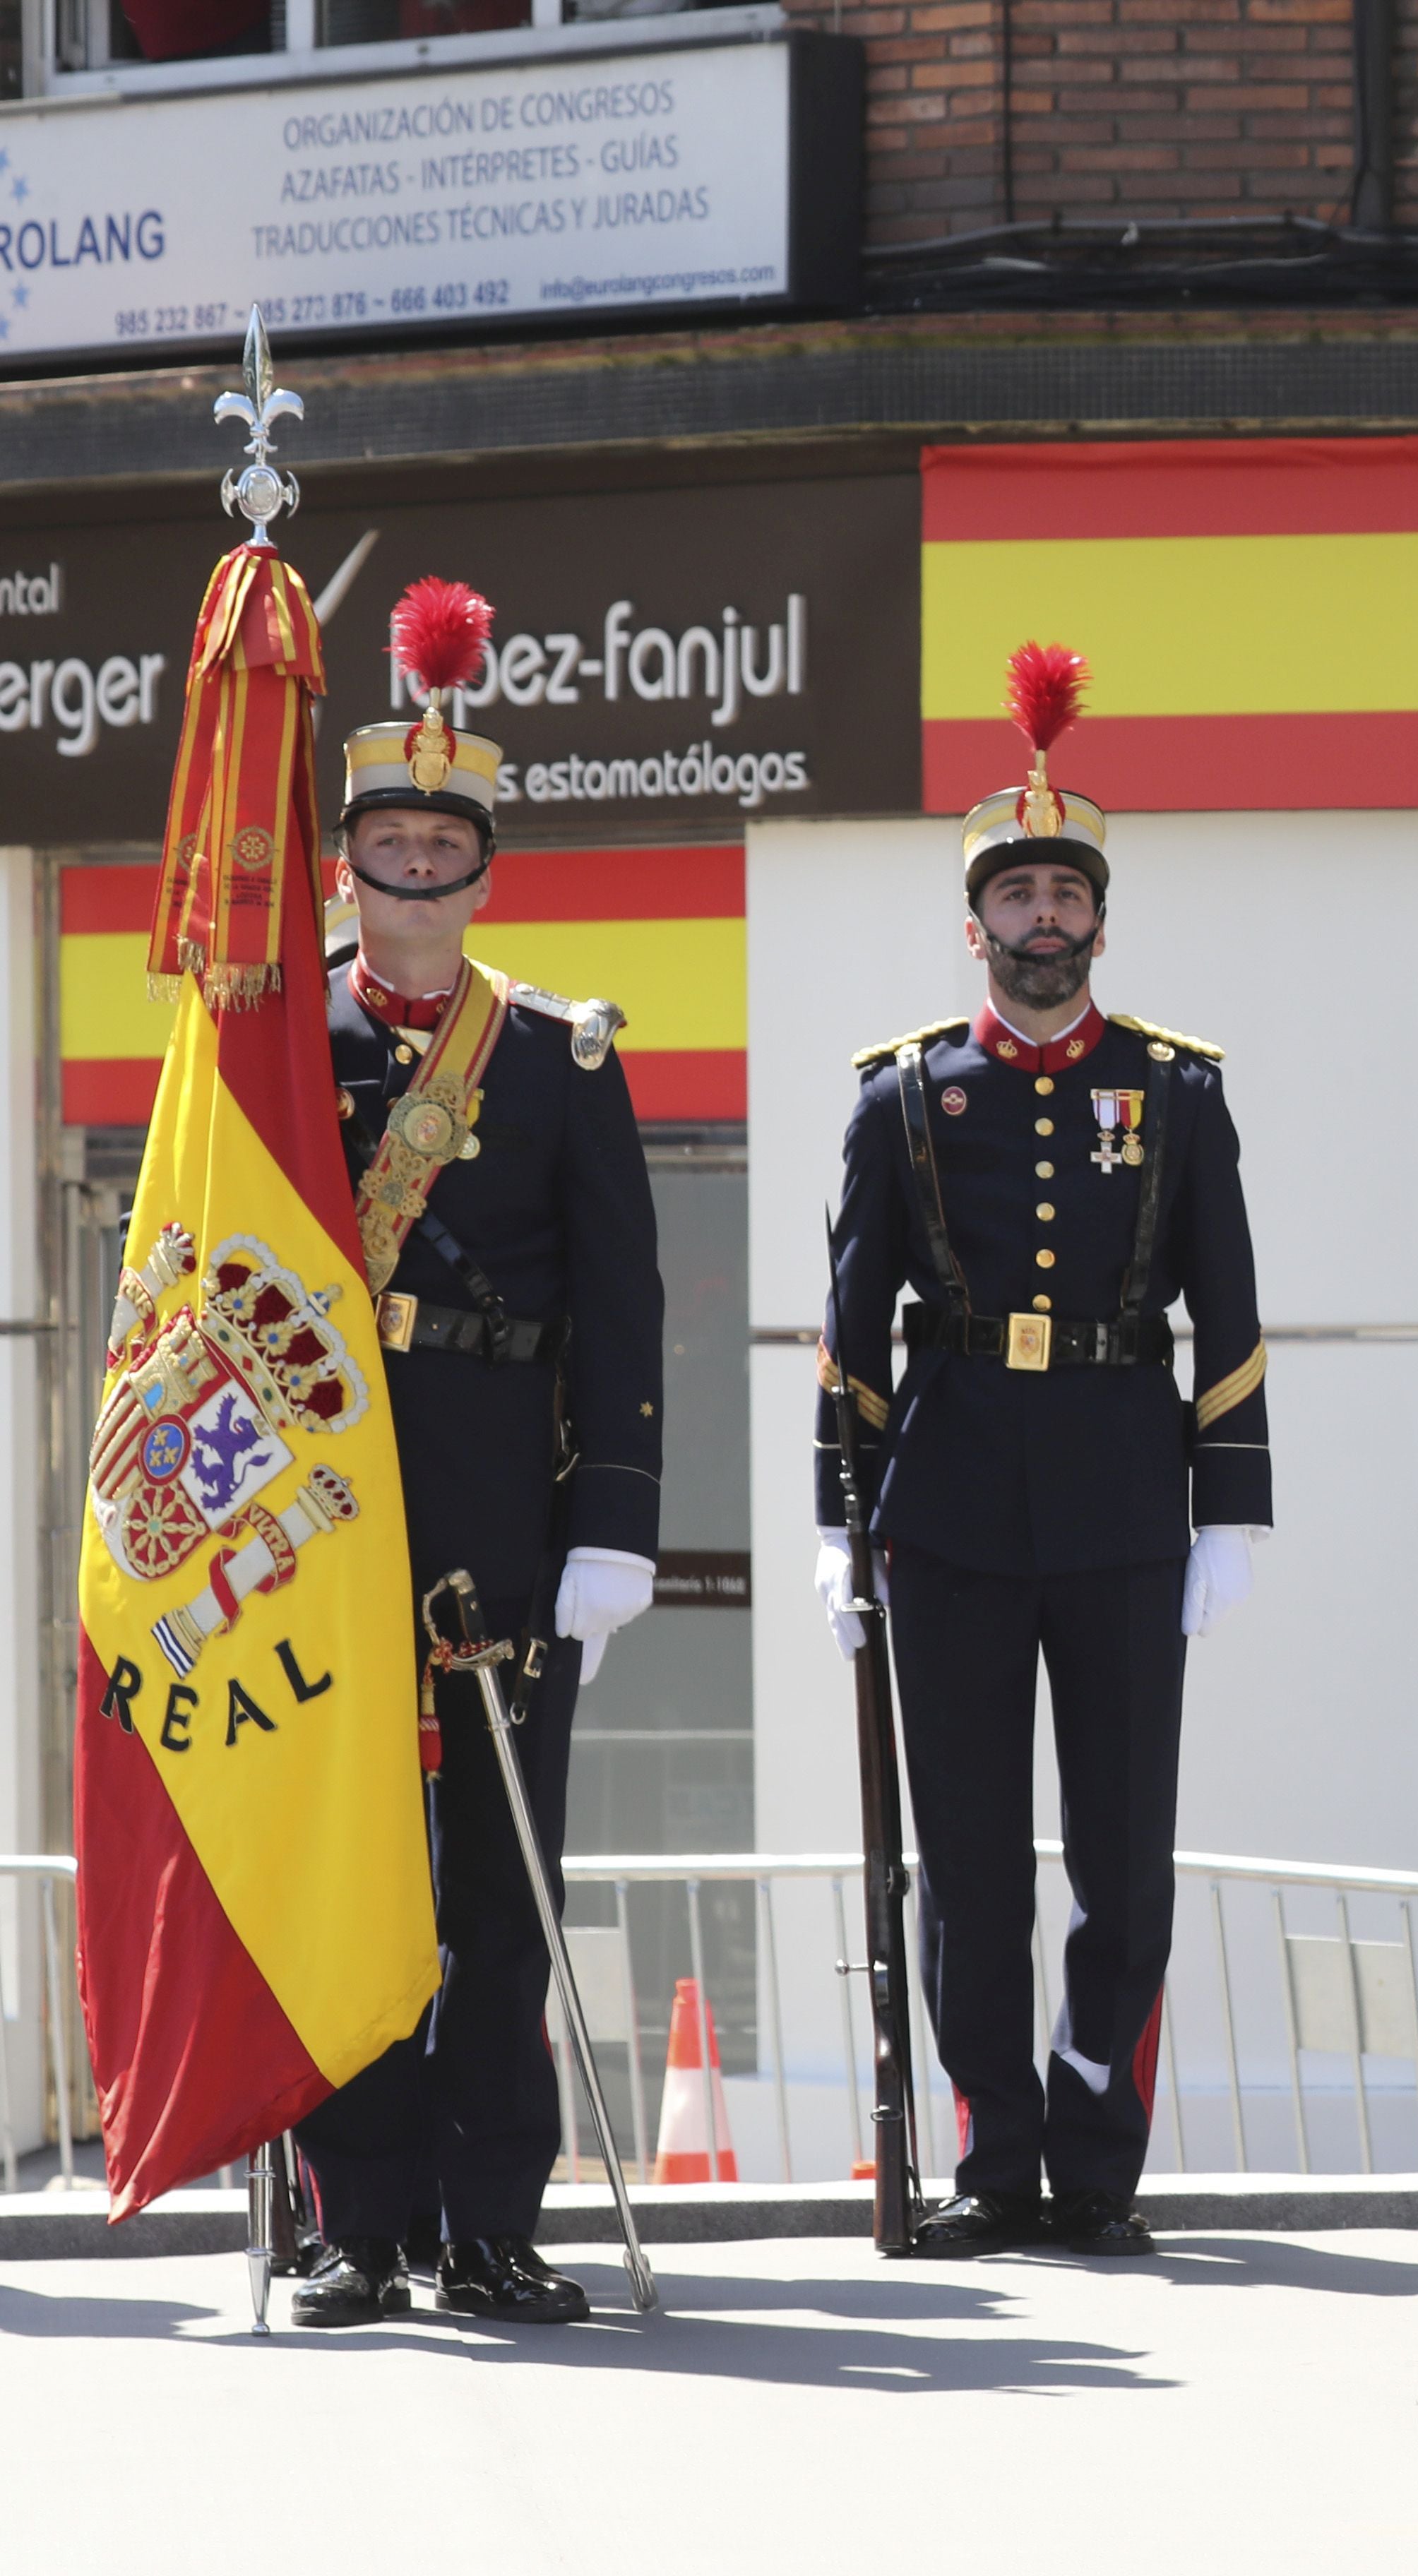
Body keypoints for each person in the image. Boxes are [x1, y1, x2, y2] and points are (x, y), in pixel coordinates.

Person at [811, 645, 1270, 2258]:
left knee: (1124, 1861)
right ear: (976, 923)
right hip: (943, 1507)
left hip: (1127, 1499)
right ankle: (995, 2157)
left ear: (1100, 915)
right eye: (1016, 896)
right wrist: (833, 1525)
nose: (1044, 922)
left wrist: (1233, 1519)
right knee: (974, 1861)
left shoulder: (1178, 1091)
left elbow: (1232, 1313)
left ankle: (1098, 2156)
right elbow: (850, 1331)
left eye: (1067, 893)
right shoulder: (903, 1101)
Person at [290, 580, 663, 2329]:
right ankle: (356, 2220)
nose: (418, 864)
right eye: (389, 838)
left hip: (509, 1491)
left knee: (506, 1885)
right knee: (351, 1868)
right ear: (349, 859)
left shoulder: (564, 1054)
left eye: (447, 838)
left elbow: (628, 1309)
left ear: (485, 865)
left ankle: (488, 2221)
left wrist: (619, 1527)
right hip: (335, 1507)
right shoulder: (279, 1046)